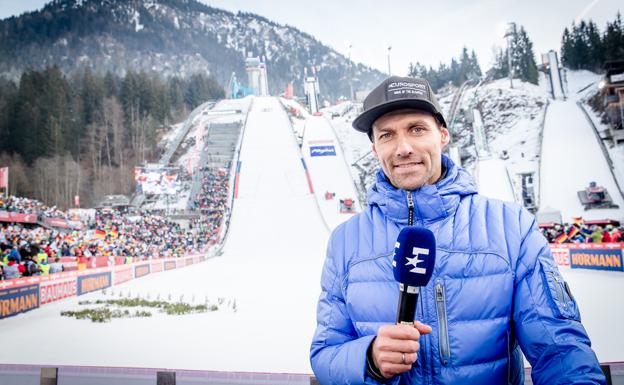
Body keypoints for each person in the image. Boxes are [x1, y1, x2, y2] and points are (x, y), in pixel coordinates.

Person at [310, 76, 605, 385]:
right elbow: (326, 354)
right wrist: (368, 359)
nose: (403, 148)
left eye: (417, 129)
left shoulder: (511, 227)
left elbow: (560, 350)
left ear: (443, 135)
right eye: (387, 135)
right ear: (375, 148)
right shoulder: (346, 241)